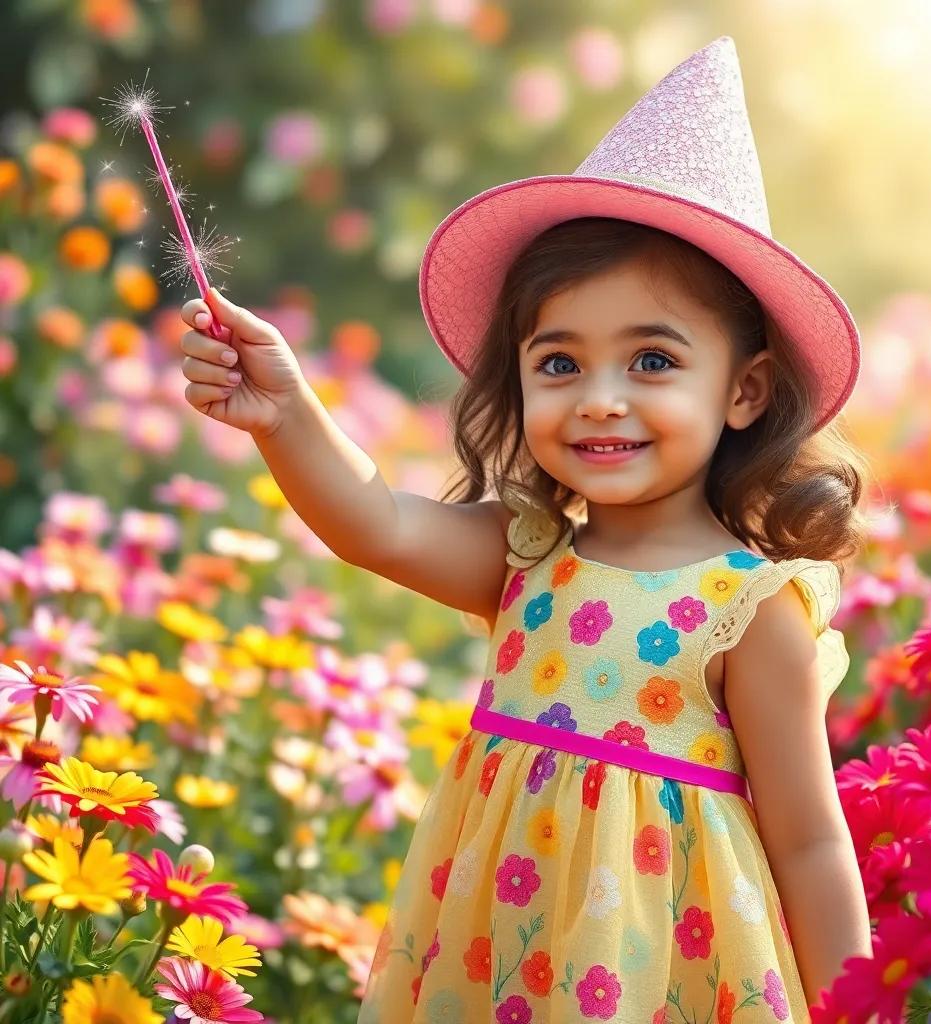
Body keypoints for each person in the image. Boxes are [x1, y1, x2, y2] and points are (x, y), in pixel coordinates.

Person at [179, 35, 873, 1024]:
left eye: (650, 362)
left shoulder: (749, 609)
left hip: (656, 978)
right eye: (558, 363)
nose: (598, 400)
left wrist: (857, 1007)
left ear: (745, 389)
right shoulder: (529, 552)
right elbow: (373, 521)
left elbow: (809, 838)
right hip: (490, 956)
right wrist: (287, 414)